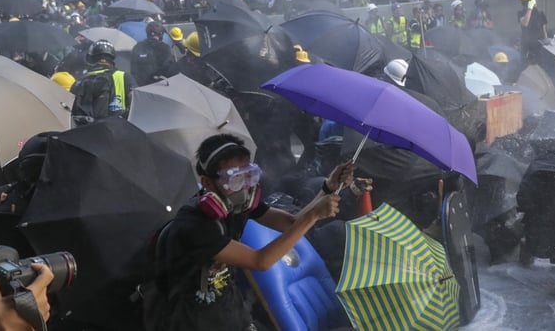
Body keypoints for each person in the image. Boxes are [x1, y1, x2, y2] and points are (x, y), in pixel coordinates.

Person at [146, 134, 351, 331]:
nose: (244, 187)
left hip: (228, 308)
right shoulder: (194, 225)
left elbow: (290, 223)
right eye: (235, 179)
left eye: (249, 175)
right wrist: (313, 216)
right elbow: (260, 261)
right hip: (192, 320)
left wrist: (328, 187)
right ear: (207, 183)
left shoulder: (237, 203)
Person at [70, 40, 137, 123]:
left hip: (83, 132)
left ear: (90, 59)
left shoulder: (79, 81)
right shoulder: (124, 77)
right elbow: (136, 105)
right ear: (112, 58)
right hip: (116, 130)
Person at [518, 0, 547, 68]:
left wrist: (546, 44)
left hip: (538, 45)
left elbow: (544, 31)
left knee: (541, 67)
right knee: (525, 67)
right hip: (526, 46)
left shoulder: (540, 13)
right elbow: (525, 23)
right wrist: (529, 9)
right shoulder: (520, 13)